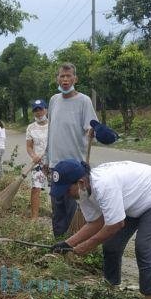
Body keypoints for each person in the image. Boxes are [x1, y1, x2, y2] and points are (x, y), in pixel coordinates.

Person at [49, 159, 151, 299]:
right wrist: (68, 244)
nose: (66, 195)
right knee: (111, 245)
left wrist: (86, 246)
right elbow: (95, 223)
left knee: (144, 247)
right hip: (129, 201)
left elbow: (115, 224)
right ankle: (110, 289)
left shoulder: (104, 185)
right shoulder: (83, 194)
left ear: (81, 182)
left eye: (67, 190)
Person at [46, 62, 98, 238]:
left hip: (74, 167)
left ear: (75, 78)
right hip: (55, 165)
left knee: (72, 209)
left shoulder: (84, 101)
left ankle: (73, 243)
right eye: (62, 76)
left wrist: (93, 132)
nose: (65, 80)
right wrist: (47, 159)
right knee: (57, 208)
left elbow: (90, 129)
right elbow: (51, 130)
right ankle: (58, 243)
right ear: (57, 78)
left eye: (69, 76)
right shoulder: (54, 100)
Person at [26, 99, 49, 220]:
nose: (38, 112)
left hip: (53, 162)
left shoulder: (53, 125)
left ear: (46, 109)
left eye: (41, 109)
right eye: (36, 110)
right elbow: (29, 147)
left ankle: (58, 215)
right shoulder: (30, 128)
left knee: (57, 189)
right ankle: (34, 218)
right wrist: (33, 156)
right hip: (38, 163)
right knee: (36, 188)